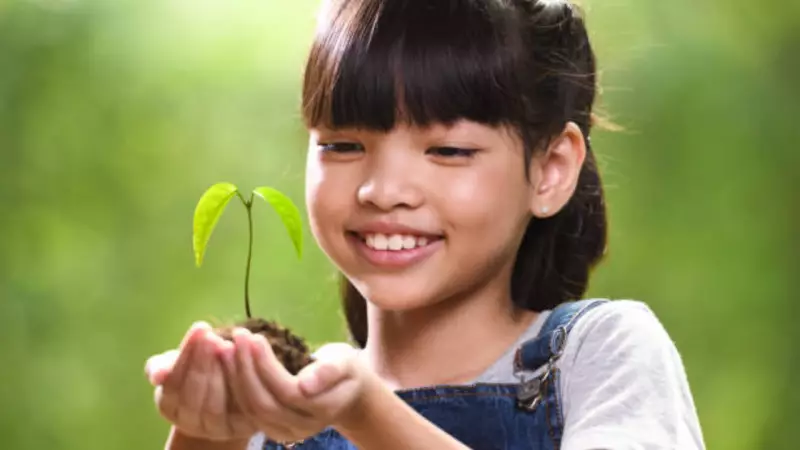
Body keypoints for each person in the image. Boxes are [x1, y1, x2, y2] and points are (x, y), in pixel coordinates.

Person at [144, 0, 706, 448]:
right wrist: (205, 434)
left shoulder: (601, 356)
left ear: (550, 169)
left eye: (448, 150)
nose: (382, 190)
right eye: (343, 144)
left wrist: (365, 411)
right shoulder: (280, 411)